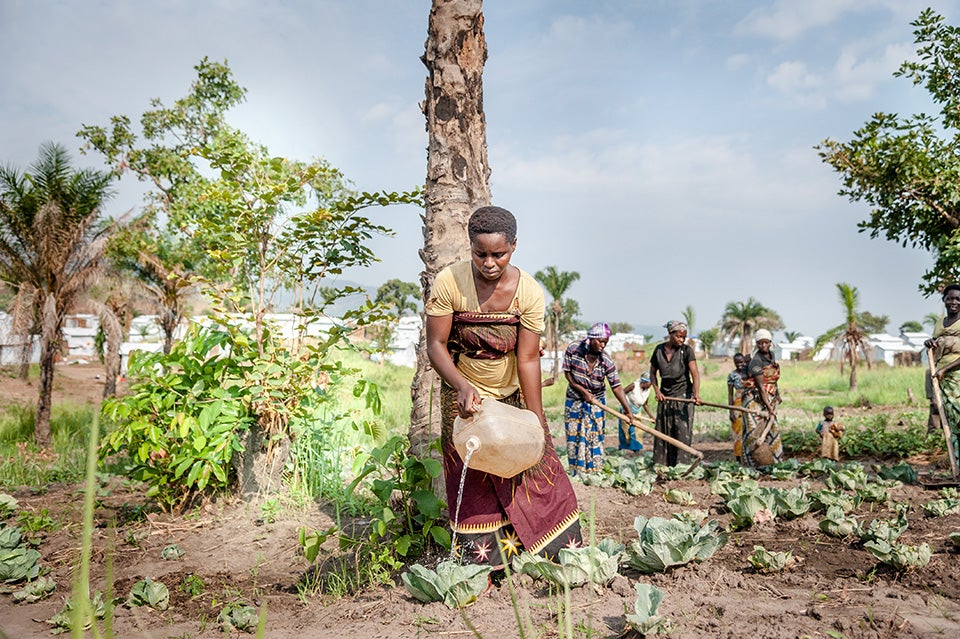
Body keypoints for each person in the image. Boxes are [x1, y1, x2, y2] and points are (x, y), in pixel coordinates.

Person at [425, 206, 581, 566]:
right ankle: (486, 564)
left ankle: (555, 555)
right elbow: (436, 346)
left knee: (531, 466)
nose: (489, 263)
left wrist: (536, 417)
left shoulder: (528, 291)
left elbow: (527, 358)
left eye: (499, 254)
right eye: (480, 254)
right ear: (470, 247)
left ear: (514, 247)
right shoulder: (450, 282)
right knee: (475, 472)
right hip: (463, 395)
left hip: (510, 394)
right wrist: (462, 386)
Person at [562, 322, 634, 475]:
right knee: (575, 437)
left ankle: (594, 470)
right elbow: (567, 373)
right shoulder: (574, 349)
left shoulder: (606, 360)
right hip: (574, 400)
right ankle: (576, 470)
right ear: (591, 339)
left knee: (595, 436)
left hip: (597, 402)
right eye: (600, 341)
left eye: (605, 343)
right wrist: (582, 391)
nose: (603, 345)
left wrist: (628, 411)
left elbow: (617, 387)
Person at [648, 320, 701, 466]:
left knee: (682, 431)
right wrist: (657, 391)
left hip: (683, 395)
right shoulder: (659, 350)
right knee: (664, 431)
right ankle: (662, 464)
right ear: (670, 334)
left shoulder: (686, 350)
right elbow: (652, 373)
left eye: (683, 337)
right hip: (665, 396)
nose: (681, 340)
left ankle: (681, 465)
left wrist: (696, 394)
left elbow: (695, 374)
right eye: (678, 336)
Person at [924, 283, 960, 471]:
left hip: (957, 375)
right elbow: (936, 342)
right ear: (944, 300)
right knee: (952, 422)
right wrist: (930, 342)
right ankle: (957, 468)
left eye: (957, 299)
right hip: (941, 375)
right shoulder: (940, 323)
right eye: (950, 298)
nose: (953, 302)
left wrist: (947, 369)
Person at [740, 328, 784, 468]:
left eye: (766, 342)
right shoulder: (755, 362)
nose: (763, 346)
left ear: (770, 342)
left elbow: (773, 380)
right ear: (757, 344)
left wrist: (777, 395)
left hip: (769, 396)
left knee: (773, 428)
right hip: (753, 399)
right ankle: (751, 465)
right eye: (760, 343)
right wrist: (770, 407)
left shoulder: (771, 355)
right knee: (753, 430)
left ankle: (774, 462)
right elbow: (760, 387)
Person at [619, 372, 654, 453]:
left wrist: (651, 417)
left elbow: (645, 404)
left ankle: (635, 449)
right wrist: (626, 408)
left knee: (637, 430)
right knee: (626, 429)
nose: (651, 385)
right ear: (645, 382)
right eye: (650, 383)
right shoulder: (634, 385)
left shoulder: (647, 390)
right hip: (626, 409)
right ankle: (624, 448)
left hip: (637, 410)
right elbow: (622, 393)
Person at [727, 353, 748, 463]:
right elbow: (730, 394)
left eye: (742, 362)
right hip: (737, 405)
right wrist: (731, 411)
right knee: (738, 433)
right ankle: (738, 459)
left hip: (749, 403)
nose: (740, 364)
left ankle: (748, 457)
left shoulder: (749, 374)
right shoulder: (732, 376)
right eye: (737, 362)